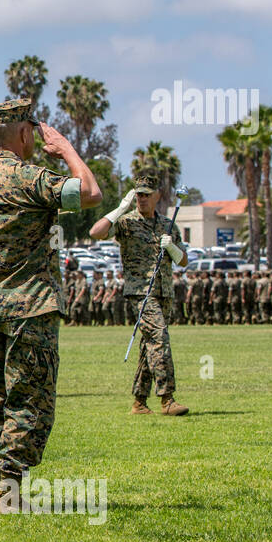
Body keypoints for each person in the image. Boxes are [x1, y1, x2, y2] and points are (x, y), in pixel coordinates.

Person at [0, 99, 101, 512]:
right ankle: (9, 491)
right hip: (29, 309)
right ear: (25, 134)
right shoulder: (31, 179)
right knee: (28, 397)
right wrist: (67, 150)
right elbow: (90, 192)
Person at [91, 175, 189, 416]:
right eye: (138, 194)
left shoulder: (168, 224)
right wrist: (120, 208)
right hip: (140, 293)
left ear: (157, 196)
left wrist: (172, 248)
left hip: (164, 292)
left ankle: (139, 402)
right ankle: (167, 399)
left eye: (146, 194)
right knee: (159, 337)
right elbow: (96, 232)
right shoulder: (127, 222)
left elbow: (184, 261)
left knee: (149, 346)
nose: (142, 198)